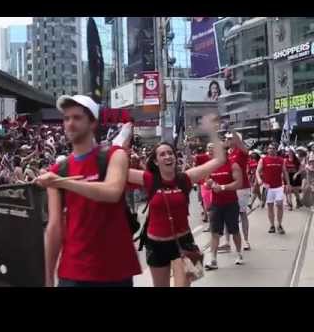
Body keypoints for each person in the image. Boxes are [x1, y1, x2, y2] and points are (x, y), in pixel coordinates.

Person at [36, 94, 141, 287]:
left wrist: (63, 182)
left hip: (115, 271)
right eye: (66, 119)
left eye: (76, 118)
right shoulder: (58, 170)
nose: (69, 124)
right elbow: (54, 228)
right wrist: (48, 275)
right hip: (73, 272)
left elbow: (112, 191)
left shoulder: (115, 156)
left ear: (92, 123)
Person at [127, 114, 225, 287]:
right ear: (156, 161)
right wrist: (125, 141)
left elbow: (219, 160)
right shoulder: (149, 179)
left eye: (170, 153)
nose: (167, 157)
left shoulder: (185, 179)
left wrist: (212, 132)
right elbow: (118, 171)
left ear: (175, 156)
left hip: (184, 242)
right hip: (155, 245)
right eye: (162, 154)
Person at [204, 137, 244, 271]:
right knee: (215, 233)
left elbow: (238, 183)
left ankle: (239, 254)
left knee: (234, 231)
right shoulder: (212, 165)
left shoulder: (233, 164)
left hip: (230, 203)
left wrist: (222, 188)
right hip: (216, 204)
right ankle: (213, 260)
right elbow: (207, 180)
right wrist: (209, 184)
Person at [223, 131, 251, 251]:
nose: (228, 140)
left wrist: (236, 136)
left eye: (230, 138)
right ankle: (227, 242)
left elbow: (245, 149)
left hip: (242, 187)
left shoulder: (241, 152)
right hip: (230, 187)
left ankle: (246, 241)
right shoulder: (228, 153)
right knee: (226, 214)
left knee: (242, 213)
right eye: (227, 138)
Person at [256, 143, 291, 234]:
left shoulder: (281, 160)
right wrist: (259, 179)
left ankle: (279, 224)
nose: (271, 150)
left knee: (279, 205)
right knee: (270, 206)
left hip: (278, 187)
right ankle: (272, 225)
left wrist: (288, 184)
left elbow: (285, 172)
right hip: (267, 187)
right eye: (269, 148)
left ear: (276, 150)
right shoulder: (263, 160)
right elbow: (257, 171)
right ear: (267, 150)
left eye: (273, 148)